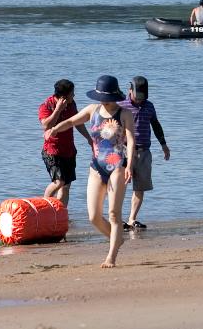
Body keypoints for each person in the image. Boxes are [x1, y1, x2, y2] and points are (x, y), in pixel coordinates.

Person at [44, 75, 136, 267]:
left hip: (117, 167)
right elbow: (71, 122)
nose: (104, 100)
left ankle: (111, 256)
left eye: (107, 96)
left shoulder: (124, 113)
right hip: (96, 167)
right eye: (101, 96)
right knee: (93, 216)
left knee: (113, 213)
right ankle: (116, 238)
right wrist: (54, 130)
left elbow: (131, 141)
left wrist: (129, 166)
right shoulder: (92, 110)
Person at [120, 76, 169, 230]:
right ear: (130, 90)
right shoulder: (121, 106)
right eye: (137, 96)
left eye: (143, 97)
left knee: (139, 188)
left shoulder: (149, 106)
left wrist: (164, 145)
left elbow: (156, 125)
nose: (140, 100)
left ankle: (131, 219)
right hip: (122, 151)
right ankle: (115, 219)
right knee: (118, 185)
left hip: (144, 152)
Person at [39, 79, 93, 207]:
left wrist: (88, 138)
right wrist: (57, 110)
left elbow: (77, 122)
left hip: (69, 151)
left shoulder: (71, 104)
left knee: (66, 186)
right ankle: (44, 208)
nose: (74, 96)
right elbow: (46, 126)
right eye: (72, 93)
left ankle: (61, 214)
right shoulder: (47, 105)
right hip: (52, 151)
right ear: (64, 96)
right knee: (59, 182)